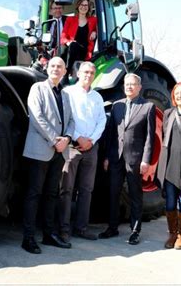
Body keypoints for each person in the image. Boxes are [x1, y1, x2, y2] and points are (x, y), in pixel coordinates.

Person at [21, 56, 75, 254]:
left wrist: (67, 138)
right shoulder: (38, 89)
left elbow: (71, 121)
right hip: (41, 149)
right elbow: (37, 117)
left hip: (59, 151)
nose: (56, 69)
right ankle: (28, 238)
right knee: (34, 193)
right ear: (47, 68)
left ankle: (48, 234)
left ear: (64, 71)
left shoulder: (66, 95)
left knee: (51, 194)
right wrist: (55, 140)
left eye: (59, 66)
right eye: (53, 66)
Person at [98, 73, 156, 245]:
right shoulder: (117, 106)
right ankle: (112, 227)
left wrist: (146, 160)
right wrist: (108, 156)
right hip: (116, 157)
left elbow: (149, 137)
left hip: (135, 159)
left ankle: (135, 231)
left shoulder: (148, 107)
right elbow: (111, 134)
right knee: (113, 193)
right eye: (127, 84)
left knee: (135, 195)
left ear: (139, 87)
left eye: (133, 84)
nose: (129, 87)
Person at [59, 62, 107, 241]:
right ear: (78, 73)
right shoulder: (68, 92)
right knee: (66, 188)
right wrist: (78, 137)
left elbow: (102, 120)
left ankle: (81, 227)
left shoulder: (97, 97)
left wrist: (92, 140)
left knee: (87, 189)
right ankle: (63, 229)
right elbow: (66, 118)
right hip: (72, 146)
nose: (89, 75)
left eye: (92, 72)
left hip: (91, 148)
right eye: (86, 71)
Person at [156, 82, 181, 250]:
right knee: (171, 202)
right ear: (173, 96)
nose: (180, 96)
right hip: (170, 164)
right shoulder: (168, 113)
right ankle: (172, 233)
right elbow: (165, 137)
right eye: (177, 93)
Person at [60, 0, 97, 77]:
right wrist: (68, 42)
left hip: (83, 50)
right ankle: (58, 70)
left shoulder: (93, 20)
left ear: (88, 7)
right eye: (81, 4)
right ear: (78, 6)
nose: (83, 7)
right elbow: (63, 36)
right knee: (64, 48)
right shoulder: (70, 19)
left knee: (73, 46)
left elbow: (100, 29)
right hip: (71, 47)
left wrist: (94, 32)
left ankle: (65, 75)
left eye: (86, 5)